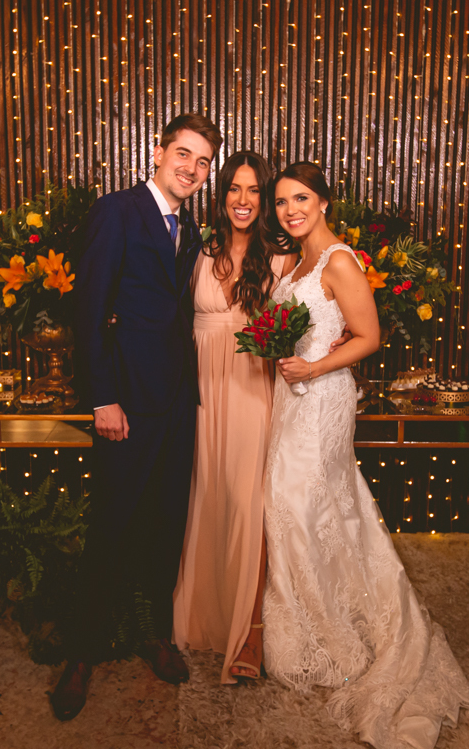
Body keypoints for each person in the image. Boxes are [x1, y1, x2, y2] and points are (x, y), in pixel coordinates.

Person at [262, 162, 469, 748]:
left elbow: (370, 337)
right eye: (281, 202)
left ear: (324, 202)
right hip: (290, 396)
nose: (290, 210)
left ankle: (331, 630)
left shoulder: (339, 261)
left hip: (322, 398)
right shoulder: (296, 262)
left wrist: (313, 367)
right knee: (301, 506)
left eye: (301, 198)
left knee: (299, 504)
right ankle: (311, 618)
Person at [52, 114, 222, 721]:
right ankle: (81, 654)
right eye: (183, 154)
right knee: (113, 528)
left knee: (164, 525)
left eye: (203, 162)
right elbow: (89, 309)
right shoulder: (117, 211)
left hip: (177, 401)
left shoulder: (190, 226)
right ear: (157, 152)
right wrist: (103, 398)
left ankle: (154, 635)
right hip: (125, 402)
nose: (192, 169)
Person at [172, 151, 295, 683]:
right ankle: (200, 615)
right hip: (198, 388)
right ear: (220, 194)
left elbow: (309, 320)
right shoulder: (197, 250)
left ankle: (251, 630)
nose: (242, 200)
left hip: (251, 388)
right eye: (233, 189)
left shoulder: (281, 258)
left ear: (265, 199)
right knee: (204, 498)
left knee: (248, 505)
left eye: (254, 191)